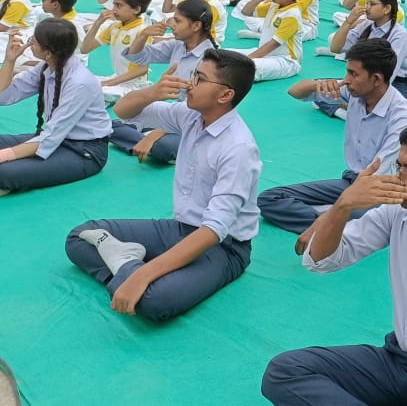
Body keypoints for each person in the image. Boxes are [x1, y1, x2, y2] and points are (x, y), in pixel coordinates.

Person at [261, 118, 407, 406]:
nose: (401, 178)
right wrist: (343, 205)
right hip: (397, 361)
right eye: (399, 167)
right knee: (284, 372)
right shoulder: (397, 212)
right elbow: (322, 261)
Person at [64, 49, 260, 321]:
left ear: (225, 95)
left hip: (223, 247)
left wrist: (144, 274)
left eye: (200, 78)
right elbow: (122, 110)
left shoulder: (238, 148)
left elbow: (214, 229)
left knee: (155, 301)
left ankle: (130, 270)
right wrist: (152, 93)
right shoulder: (191, 116)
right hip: (181, 228)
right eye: (193, 74)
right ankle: (128, 266)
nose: (189, 83)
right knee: (80, 236)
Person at [262, 40, 407, 235]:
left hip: (378, 193)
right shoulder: (354, 93)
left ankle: (329, 222)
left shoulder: (401, 116)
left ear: (376, 79)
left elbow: (376, 176)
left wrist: (342, 204)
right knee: (270, 199)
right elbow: (295, 92)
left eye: (353, 74)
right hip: (351, 181)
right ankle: (330, 225)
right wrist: (318, 84)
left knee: (369, 216)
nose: (346, 79)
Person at [0, 19, 111, 193]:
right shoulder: (47, 66)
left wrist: (5, 155)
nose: (29, 44)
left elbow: (50, 137)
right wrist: (9, 61)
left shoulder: (79, 83)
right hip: (57, 139)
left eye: (33, 41)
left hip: (84, 151)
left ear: (48, 52)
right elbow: (5, 97)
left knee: (4, 171)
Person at [113, 0, 219, 165]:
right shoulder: (178, 46)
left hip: (194, 119)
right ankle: (147, 139)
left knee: (163, 148)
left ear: (196, 26)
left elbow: (197, 112)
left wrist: (156, 134)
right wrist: (143, 35)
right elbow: (137, 56)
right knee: (110, 124)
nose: (172, 25)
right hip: (174, 112)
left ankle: (149, 139)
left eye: (178, 21)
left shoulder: (209, 61)